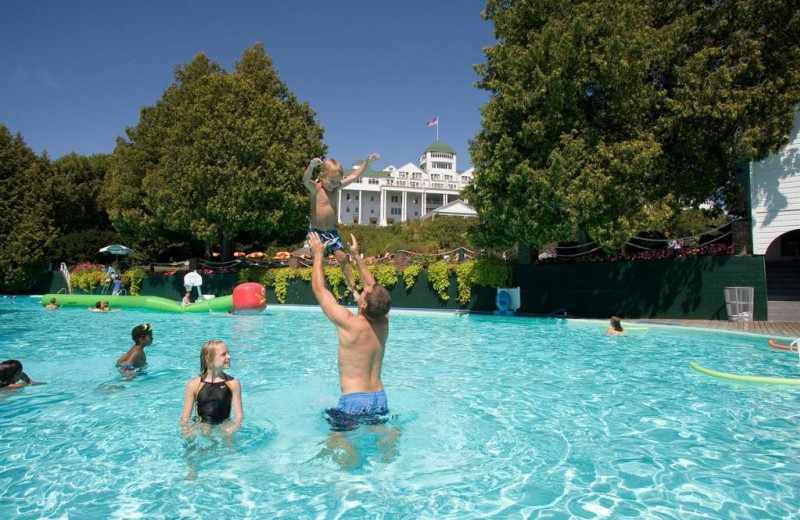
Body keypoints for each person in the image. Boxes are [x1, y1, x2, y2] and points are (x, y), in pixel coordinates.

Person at [308, 231, 398, 466]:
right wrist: (356, 256)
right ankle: (387, 448)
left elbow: (320, 290)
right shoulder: (383, 321)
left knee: (339, 440)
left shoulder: (349, 323)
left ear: (364, 304)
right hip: (379, 398)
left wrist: (318, 255)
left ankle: (348, 477)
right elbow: (373, 287)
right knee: (378, 432)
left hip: (353, 401)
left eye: (364, 293)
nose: (364, 288)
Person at [303, 153, 380, 300]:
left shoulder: (336, 188)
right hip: (316, 232)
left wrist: (367, 163)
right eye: (332, 181)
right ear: (322, 176)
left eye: (337, 182)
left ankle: (353, 288)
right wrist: (310, 167)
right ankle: (320, 290)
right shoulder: (316, 189)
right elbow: (305, 180)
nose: (334, 185)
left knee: (343, 258)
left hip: (331, 232)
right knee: (316, 258)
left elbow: (354, 176)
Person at [180, 340, 243, 435]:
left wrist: (235, 426)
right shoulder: (193, 385)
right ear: (208, 359)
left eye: (228, 353)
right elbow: (185, 418)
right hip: (201, 425)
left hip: (224, 424)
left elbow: (239, 415)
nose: (229, 357)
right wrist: (185, 431)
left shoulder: (233, 383)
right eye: (223, 354)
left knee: (229, 445)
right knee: (204, 432)